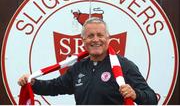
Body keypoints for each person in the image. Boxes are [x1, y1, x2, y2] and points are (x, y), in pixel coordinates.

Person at [18, 17, 158, 105]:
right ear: (83, 41)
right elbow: (55, 86)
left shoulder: (124, 66)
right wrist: (32, 82)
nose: (96, 40)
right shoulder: (78, 67)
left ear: (108, 39)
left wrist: (135, 94)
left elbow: (152, 99)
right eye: (90, 36)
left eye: (100, 35)